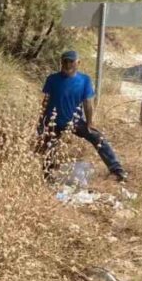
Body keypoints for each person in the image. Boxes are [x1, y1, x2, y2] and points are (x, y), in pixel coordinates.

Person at [38, 50, 127, 182]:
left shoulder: (84, 80)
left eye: (71, 61)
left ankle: (117, 170)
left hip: (75, 122)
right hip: (53, 122)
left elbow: (87, 103)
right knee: (49, 147)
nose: (68, 64)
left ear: (78, 63)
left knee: (98, 138)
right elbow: (46, 100)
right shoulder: (52, 79)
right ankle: (48, 177)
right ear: (61, 62)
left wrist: (89, 123)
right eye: (65, 61)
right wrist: (41, 120)